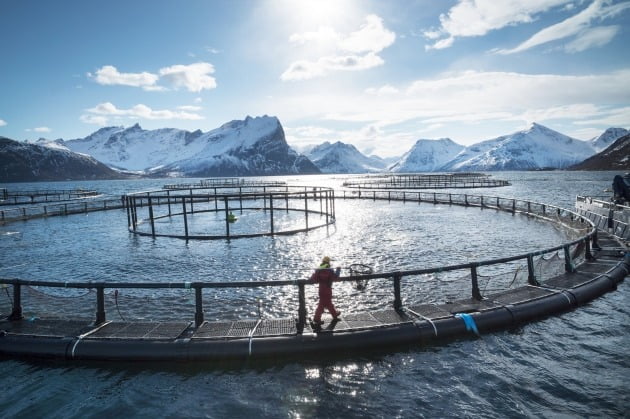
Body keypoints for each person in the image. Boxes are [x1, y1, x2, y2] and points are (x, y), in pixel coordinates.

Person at [309, 256, 341, 325]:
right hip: (328, 290)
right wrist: (338, 270)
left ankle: (334, 315)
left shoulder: (319, 270)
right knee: (326, 304)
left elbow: (313, 278)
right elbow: (336, 277)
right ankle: (317, 318)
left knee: (324, 304)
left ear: (322, 262)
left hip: (321, 290)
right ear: (328, 262)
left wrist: (311, 277)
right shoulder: (330, 270)